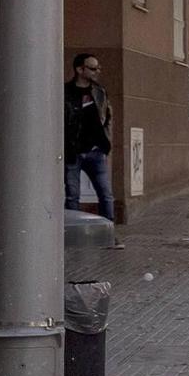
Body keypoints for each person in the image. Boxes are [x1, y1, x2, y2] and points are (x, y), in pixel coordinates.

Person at [64, 51, 121, 242]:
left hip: (96, 152)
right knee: (72, 196)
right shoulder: (65, 92)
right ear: (80, 69)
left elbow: (108, 117)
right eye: (93, 68)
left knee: (106, 195)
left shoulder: (99, 92)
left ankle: (108, 235)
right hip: (73, 152)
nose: (97, 71)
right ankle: (72, 235)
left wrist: (105, 145)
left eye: (98, 68)